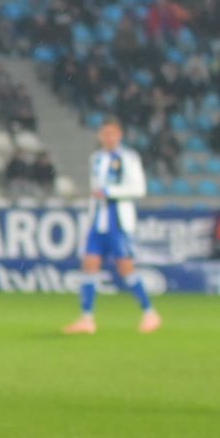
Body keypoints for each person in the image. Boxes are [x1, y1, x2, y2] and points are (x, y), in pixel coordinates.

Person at [64, 117, 162, 334]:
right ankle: (87, 319)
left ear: (119, 135)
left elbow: (139, 189)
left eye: (112, 133)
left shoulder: (128, 158)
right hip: (98, 221)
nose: (108, 137)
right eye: (104, 133)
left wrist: (110, 192)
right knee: (89, 264)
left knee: (125, 267)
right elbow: (95, 190)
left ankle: (150, 313)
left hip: (118, 222)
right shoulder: (96, 159)